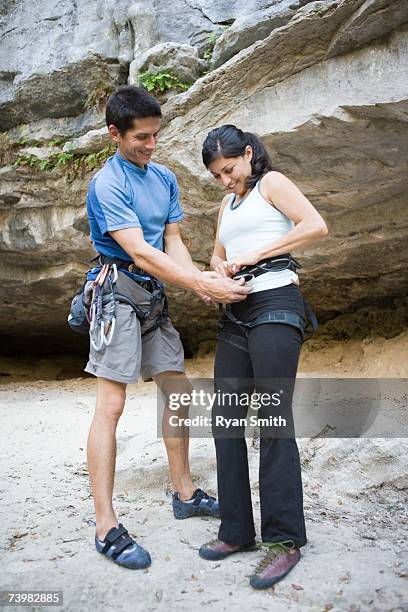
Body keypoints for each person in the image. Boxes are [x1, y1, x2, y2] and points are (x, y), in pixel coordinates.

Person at [84, 89, 249, 570]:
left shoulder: (163, 177)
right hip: (116, 293)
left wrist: (198, 283)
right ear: (115, 134)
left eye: (156, 134)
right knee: (111, 405)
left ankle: (184, 492)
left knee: (178, 392)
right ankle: (105, 525)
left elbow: (171, 240)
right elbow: (137, 251)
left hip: (153, 297)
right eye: (141, 137)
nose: (152, 144)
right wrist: (198, 280)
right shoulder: (107, 183)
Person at [198, 125, 328, 589]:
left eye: (229, 169)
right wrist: (219, 275)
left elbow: (315, 226)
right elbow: (216, 256)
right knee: (225, 422)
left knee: (273, 421)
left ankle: (283, 540)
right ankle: (237, 532)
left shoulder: (271, 184)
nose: (225, 181)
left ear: (248, 154)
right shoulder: (224, 206)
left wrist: (256, 254)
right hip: (237, 313)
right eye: (216, 175)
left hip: (277, 303)